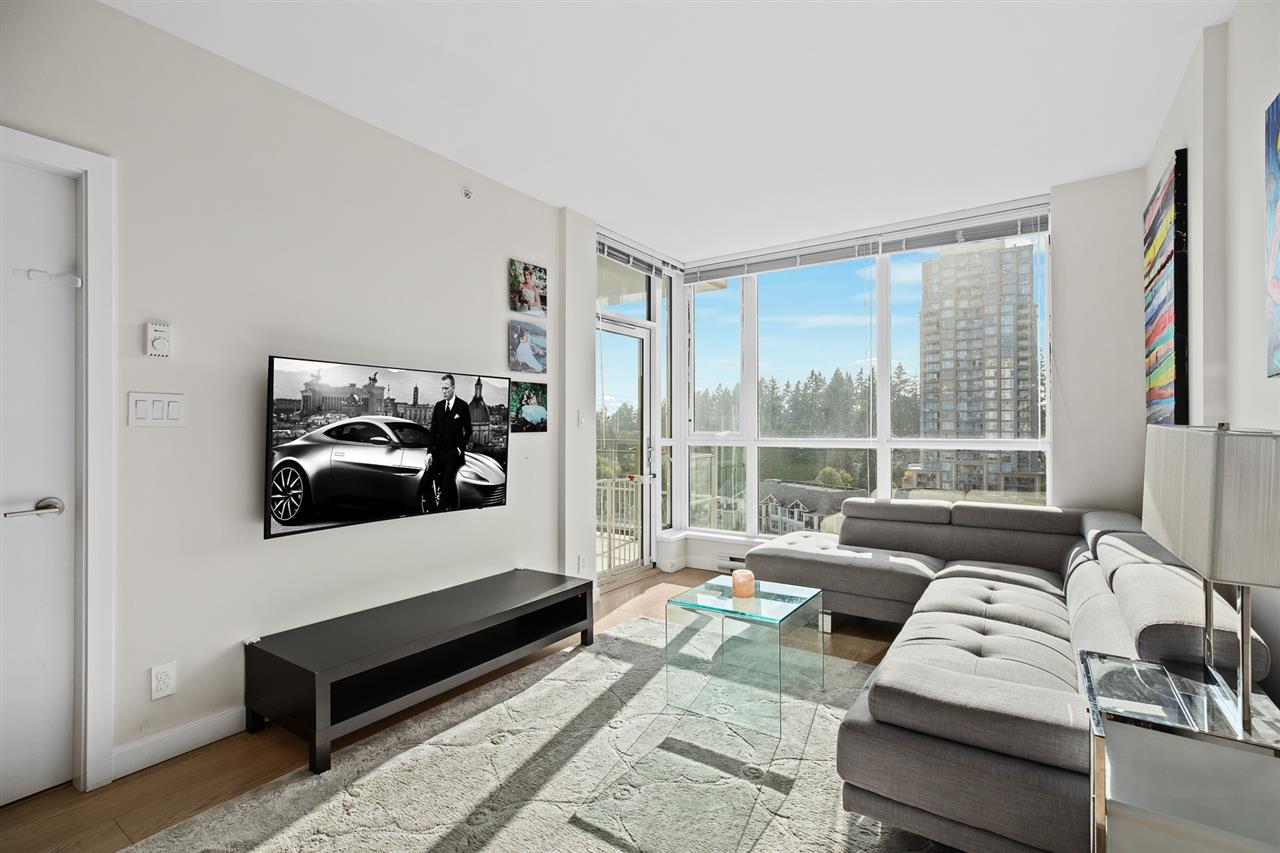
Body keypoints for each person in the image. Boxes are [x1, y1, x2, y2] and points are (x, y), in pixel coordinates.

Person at [426, 374, 471, 512]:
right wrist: (429, 453)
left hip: (453, 455)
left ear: (453, 387)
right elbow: (432, 432)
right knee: (424, 482)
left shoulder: (463, 406)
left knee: (446, 487)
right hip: (438, 454)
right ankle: (431, 510)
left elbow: (468, 431)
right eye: (442, 388)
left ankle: (439, 515)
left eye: (446, 388)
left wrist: (459, 448)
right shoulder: (438, 406)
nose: (443, 391)